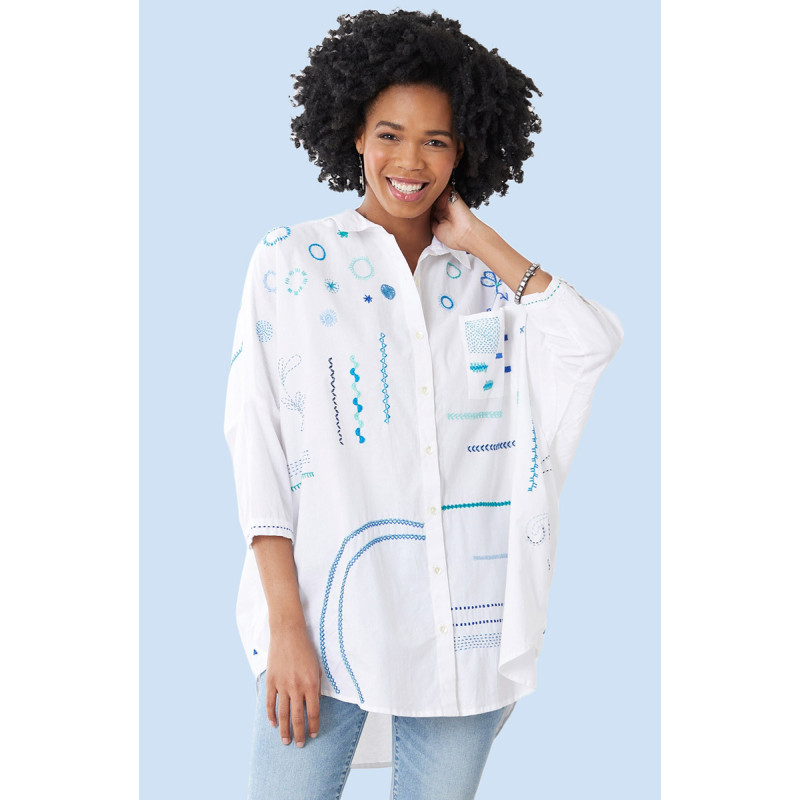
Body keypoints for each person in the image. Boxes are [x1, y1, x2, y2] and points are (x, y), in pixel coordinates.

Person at [223, 9, 624, 799]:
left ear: (463, 150)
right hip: (329, 618)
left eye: (436, 140)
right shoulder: (290, 261)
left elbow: (590, 343)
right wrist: (285, 627)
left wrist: (481, 242)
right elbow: (259, 448)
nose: (410, 161)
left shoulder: (486, 284)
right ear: (354, 135)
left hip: (465, 631)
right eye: (390, 135)